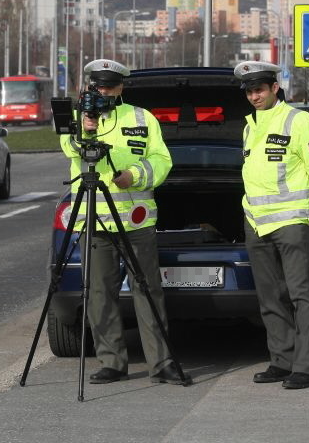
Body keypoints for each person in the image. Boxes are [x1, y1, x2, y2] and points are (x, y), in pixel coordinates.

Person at [59, 59, 190, 386]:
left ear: (121, 87)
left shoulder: (142, 118)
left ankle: (161, 363)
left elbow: (161, 160)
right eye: (98, 85)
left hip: (136, 221)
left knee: (149, 292)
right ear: (91, 85)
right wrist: (84, 130)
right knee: (100, 294)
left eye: (110, 85)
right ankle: (111, 361)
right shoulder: (80, 117)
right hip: (95, 222)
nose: (103, 91)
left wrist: (134, 175)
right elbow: (69, 149)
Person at [235, 61, 309, 390]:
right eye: (249, 91)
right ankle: (282, 360)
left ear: (275, 88)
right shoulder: (249, 126)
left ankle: (305, 367)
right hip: (256, 223)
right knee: (269, 296)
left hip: (292, 221)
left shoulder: (299, 120)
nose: (254, 96)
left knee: (300, 294)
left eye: (259, 90)